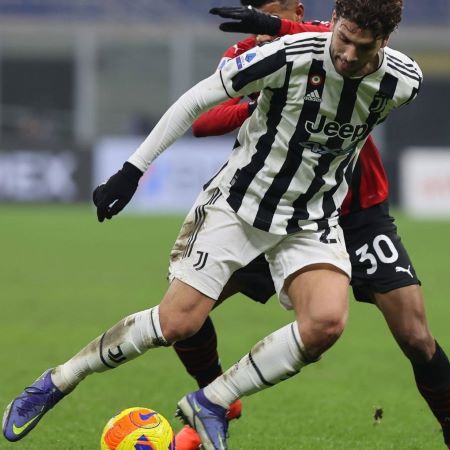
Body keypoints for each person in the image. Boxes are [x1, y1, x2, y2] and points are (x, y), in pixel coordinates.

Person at [2, 1, 427, 449]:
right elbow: (197, 102)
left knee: (326, 323)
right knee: (177, 323)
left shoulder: (404, 81)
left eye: (362, 49)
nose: (347, 56)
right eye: (343, 39)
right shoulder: (292, 55)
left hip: (311, 218)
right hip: (237, 208)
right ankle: (56, 381)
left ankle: (212, 402)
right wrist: (132, 170)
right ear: (334, 24)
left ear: (384, 43)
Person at [172, 2, 450, 449]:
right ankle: (216, 399)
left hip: (358, 214)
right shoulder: (248, 53)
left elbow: (326, 33)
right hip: (277, 214)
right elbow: (203, 121)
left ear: (293, 10)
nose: (257, 16)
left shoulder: (339, 42)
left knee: (416, 335)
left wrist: (276, 29)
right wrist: (261, 103)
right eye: (253, 9)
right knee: (182, 317)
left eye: (269, 9)